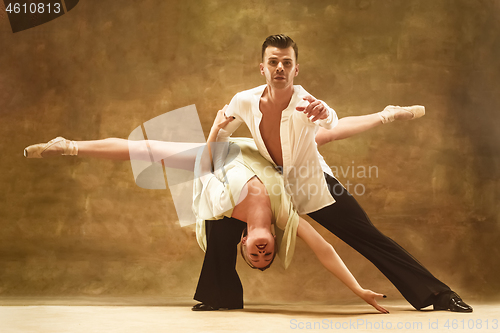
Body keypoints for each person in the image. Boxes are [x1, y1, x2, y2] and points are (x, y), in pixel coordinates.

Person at [193, 34, 472, 313]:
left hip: (312, 184)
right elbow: (221, 135)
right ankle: (221, 296)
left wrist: (323, 111)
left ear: (296, 69)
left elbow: (330, 120)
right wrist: (216, 134)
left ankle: (440, 295)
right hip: (271, 182)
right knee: (218, 216)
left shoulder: (305, 101)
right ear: (262, 68)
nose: (280, 67)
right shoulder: (244, 101)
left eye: (286, 62)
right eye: (273, 61)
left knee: (368, 236)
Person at [23, 107, 393, 314]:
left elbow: (204, 167)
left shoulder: (224, 210)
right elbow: (326, 251)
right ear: (274, 244)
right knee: (322, 135)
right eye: (267, 257)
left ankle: (69, 146)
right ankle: (386, 115)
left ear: (244, 242)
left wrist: (217, 128)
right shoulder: (286, 216)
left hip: (224, 154)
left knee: (148, 151)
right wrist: (359, 290)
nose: (261, 255)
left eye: (254, 258)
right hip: (265, 154)